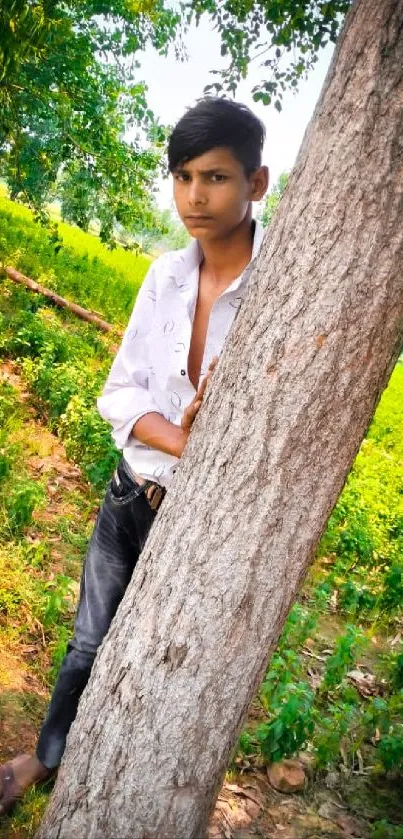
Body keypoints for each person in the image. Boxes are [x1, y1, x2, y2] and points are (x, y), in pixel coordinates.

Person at [0, 96, 268, 815]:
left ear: (257, 183)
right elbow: (118, 394)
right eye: (182, 176)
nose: (193, 196)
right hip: (131, 492)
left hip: (197, 522)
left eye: (214, 176)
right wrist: (181, 436)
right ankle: (45, 757)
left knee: (159, 658)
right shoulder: (162, 277)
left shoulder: (276, 296)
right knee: (87, 641)